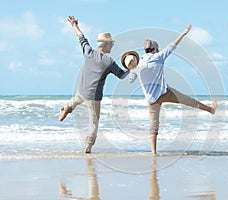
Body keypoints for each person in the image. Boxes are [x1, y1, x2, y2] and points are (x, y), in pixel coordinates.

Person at [123, 24, 217, 154]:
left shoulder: (139, 65)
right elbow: (172, 46)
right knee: (187, 100)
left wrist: (133, 69)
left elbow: (130, 80)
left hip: (151, 98)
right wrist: (184, 33)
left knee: (154, 124)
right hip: (164, 92)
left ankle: (153, 152)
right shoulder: (159, 57)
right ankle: (211, 110)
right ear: (155, 49)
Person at [59, 16, 129, 153]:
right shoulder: (109, 62)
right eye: (111, 44)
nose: (112, 46)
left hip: (81, 91)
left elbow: (81, 37)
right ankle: (89, 146)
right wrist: (132, 70)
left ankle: (65, 110)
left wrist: (74, 25)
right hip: (94, 97)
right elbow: (121, 75)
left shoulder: (89, 52)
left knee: (74, 102)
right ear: (106, 44)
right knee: (93, 122)